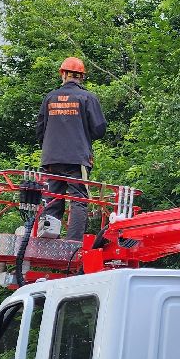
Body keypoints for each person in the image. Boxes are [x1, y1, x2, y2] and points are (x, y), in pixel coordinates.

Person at [35, 57, 107, 241]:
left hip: (51, 160)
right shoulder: (88, 98)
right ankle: (73, 243)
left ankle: (49, 240)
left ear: (63, 74)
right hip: (77, 160)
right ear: (81, 77)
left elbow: (40, 130)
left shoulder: (50, 97)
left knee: (52, 198)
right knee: (79, 200)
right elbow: (99, 129)